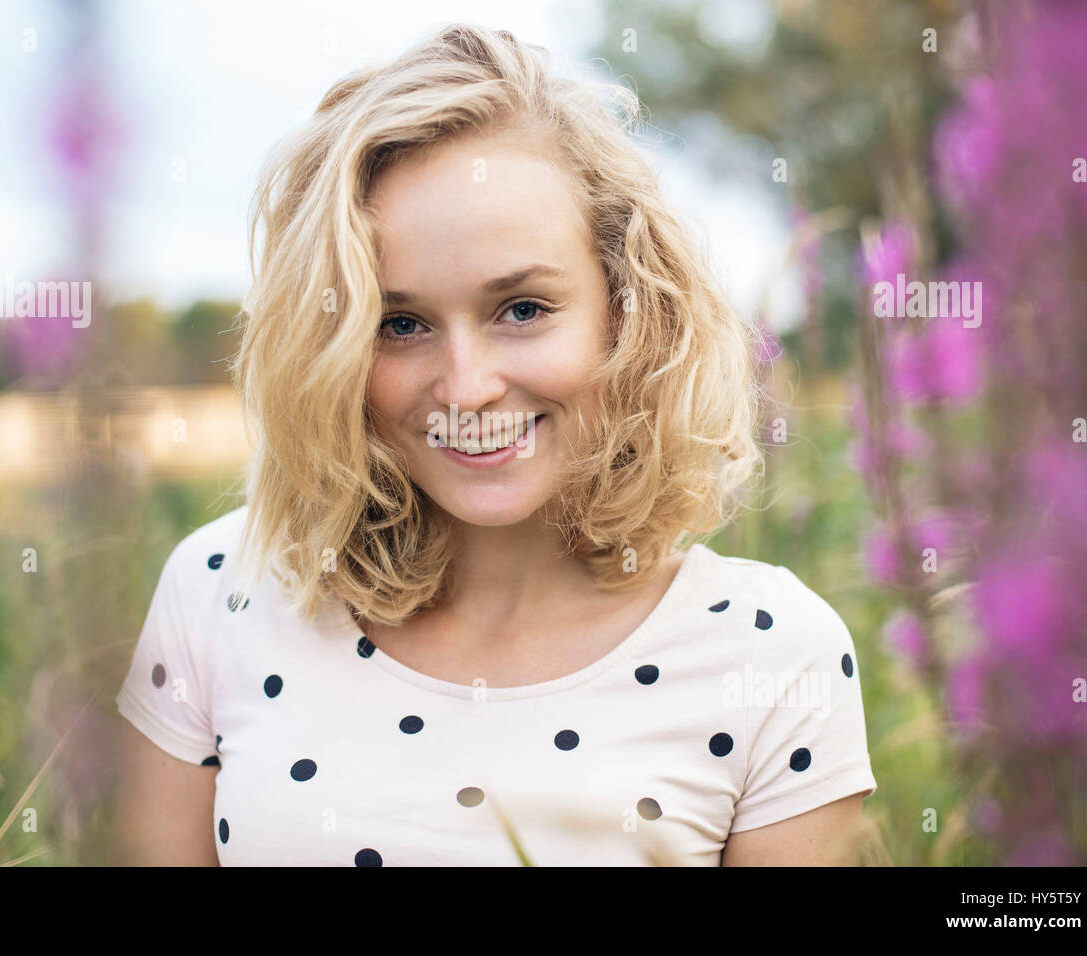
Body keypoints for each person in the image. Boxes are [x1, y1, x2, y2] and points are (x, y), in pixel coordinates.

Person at [111, 22, 877, 866]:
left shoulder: (772, 652)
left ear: (628, 311)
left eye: (522, 310)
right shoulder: (220, 596)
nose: (467, 384)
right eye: (399, 324)